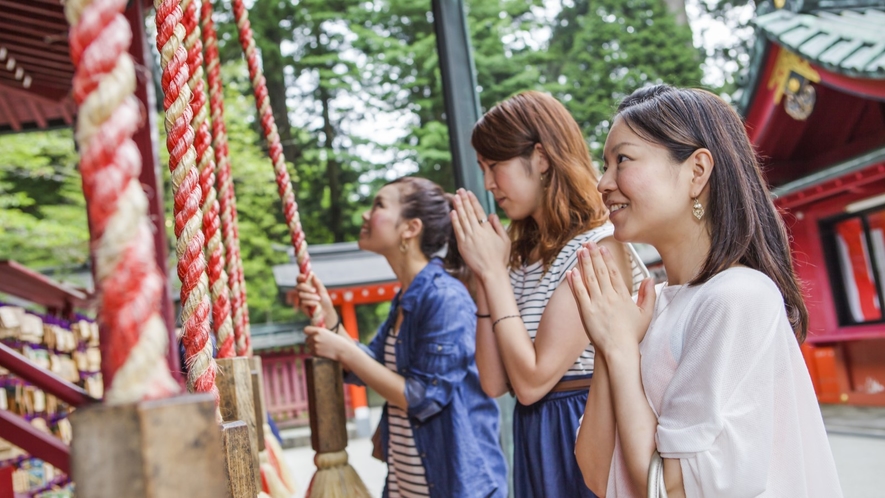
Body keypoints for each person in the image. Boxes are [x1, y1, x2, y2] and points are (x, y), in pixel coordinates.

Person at [570, 84, 842, 497]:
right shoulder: (648, 306)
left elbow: (673, 490)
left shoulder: (738, 298)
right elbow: (596, 473)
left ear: (697, 171)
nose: (602, 182)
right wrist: (612, 343)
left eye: (621, 160)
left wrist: (622, 348)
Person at [450, 90, 648, 498]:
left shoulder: (598, 249)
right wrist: (489, 275)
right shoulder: (519, 255)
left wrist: (493, 273)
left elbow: (533, 381)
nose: (488, 183)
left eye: (494, 165)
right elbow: (492, 382)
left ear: (540, 158)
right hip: (536, 434)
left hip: (583, 427)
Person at [294, 176, 508, 498]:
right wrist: (332, 317)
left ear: (411, 228)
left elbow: (422, 397)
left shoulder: (444, 298)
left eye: (379, 205)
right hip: (406, 483)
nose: (366, 215)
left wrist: (345, 351)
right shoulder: (408, 296)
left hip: (454, 485)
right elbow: (376, 367)